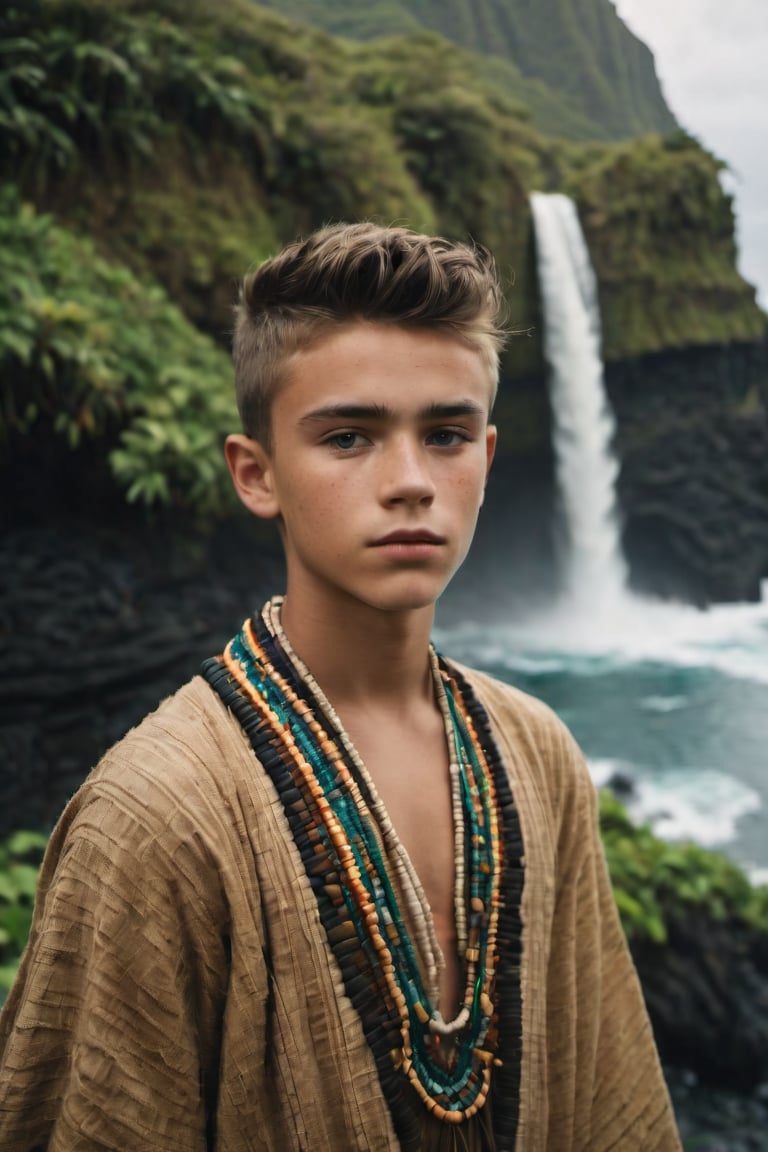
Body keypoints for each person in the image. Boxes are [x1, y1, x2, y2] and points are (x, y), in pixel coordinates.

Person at [0, 223, 681, 1151]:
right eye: (350, 436)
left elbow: (614, 1109)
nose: (409, 483)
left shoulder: (539, 754)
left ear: (486, 457)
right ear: (257, 473)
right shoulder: (159, 815)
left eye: (444, 434)